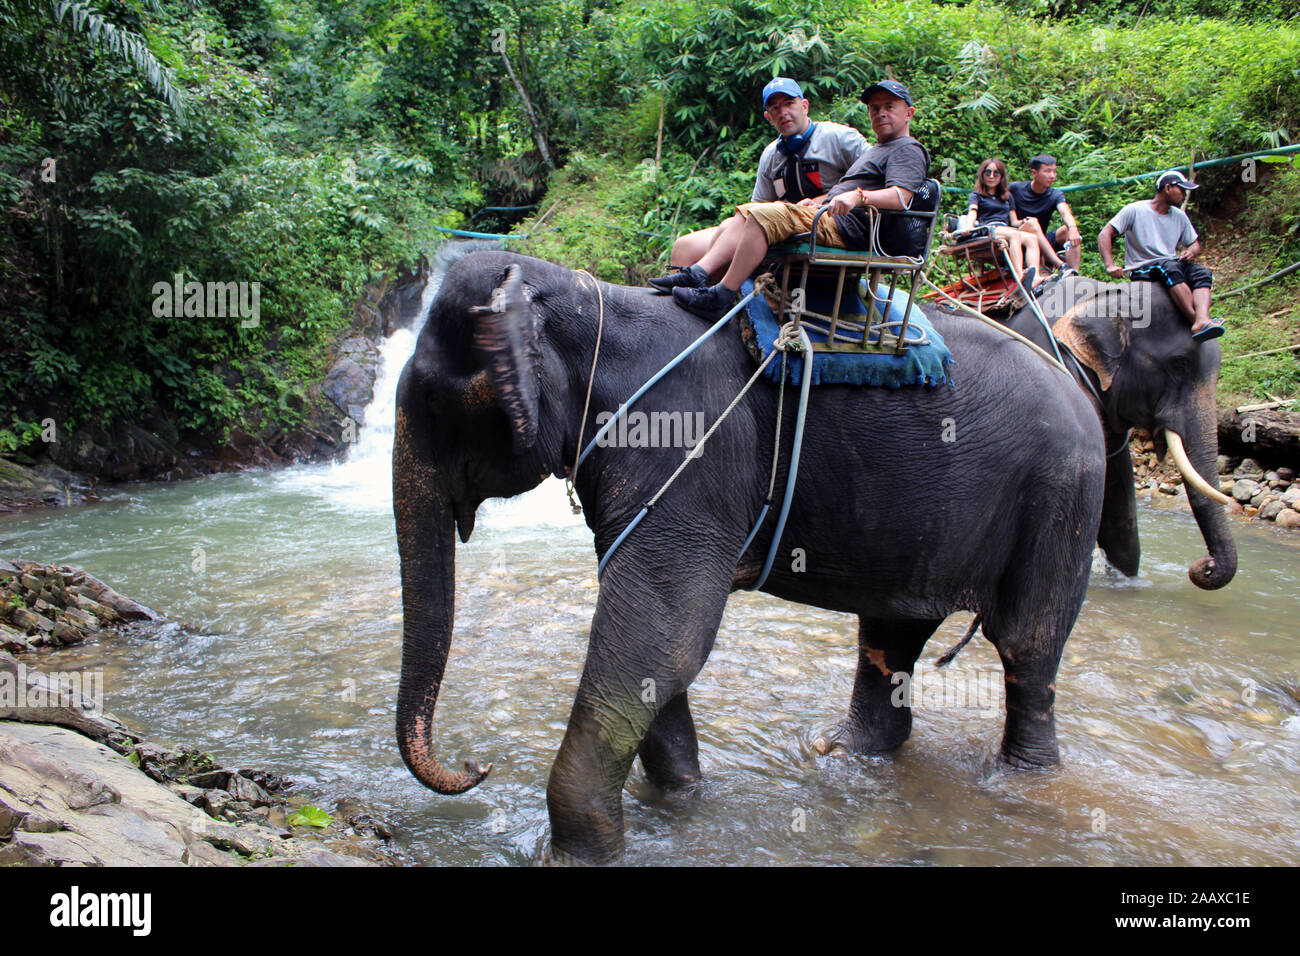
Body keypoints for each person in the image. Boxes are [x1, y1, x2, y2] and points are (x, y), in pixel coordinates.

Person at [656, 79, 930, 321]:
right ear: (768, 116)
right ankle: (698, 275)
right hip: (823, 215)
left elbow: (901, 196)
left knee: (761, 215)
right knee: (744, 216)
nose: (880, 113)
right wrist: (822, 200)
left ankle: (722, 294)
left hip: (847, 227)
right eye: (874, 108)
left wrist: (857, 196)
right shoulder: (881, 149)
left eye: (889, 107)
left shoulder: (902, 147)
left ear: (909, 113)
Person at [650, 77, 868, 293]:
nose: (784, 113)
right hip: (778, 226)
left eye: (789, 104)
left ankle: (715, 296)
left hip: (829, 223)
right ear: (768, 117)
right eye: (775, 108)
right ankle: (687, 300)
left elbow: (876, 174)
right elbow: (758, 205)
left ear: (804, 105)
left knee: (737, 226)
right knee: (686, 244)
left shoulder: (839, 137)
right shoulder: (772, 154)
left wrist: (826, 199)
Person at [1098, 169, 1223, 341]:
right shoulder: (1135, 210)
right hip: (1143, 266)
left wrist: (1190, 251)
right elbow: (1105, 233)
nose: (1184, 195)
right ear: (1168, 188)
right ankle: (1195, 320)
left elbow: (1194, 243)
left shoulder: (1179, 216)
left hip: (1171, 263)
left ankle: (1203, 318)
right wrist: (1110, 265)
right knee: (1168, 268)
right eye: (1182, 190)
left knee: (1202, 273)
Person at [964, 157, 1042, 291]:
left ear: (1001, 176)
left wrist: (1023, 222)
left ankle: (1035, 277)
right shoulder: (977, 195)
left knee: (1032, 238)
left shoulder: (1007, 196)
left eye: (996, 173)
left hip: (1006, 228)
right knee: (1014, 235)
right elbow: (972, 212)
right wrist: (969, 226)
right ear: (982, 175)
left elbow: (1014, 221)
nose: (991, 176)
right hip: (989, 228)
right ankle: (1018, 274)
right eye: (988, 173)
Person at [1009, 154, 1083, 273]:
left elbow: (1065, 211)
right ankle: (1060, 265)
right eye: (1047, 172)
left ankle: (1074, 273)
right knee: (1032, 223)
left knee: (1068, 230)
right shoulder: (1016, 188)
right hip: (1019, 240)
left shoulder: (1055, 194)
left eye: (1054, 171)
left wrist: (1073, 227)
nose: (1052, 176)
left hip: (1042, 241)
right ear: (1034, 173)